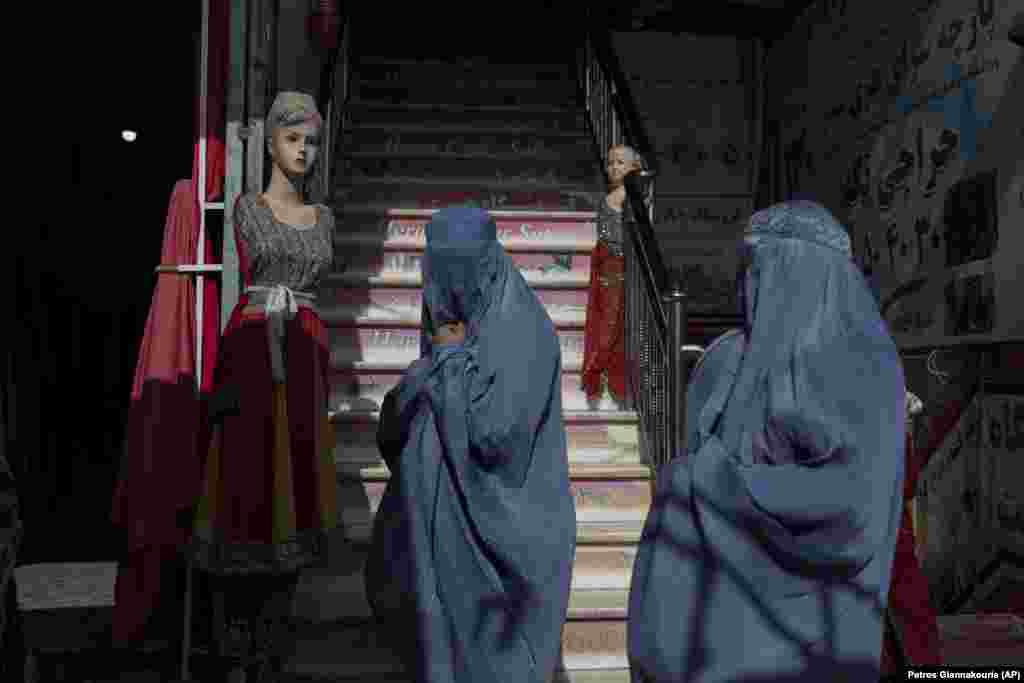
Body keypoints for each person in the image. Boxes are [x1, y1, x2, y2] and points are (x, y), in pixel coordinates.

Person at [628, 200, 906, 682]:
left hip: (812, 641)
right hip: (709, 628)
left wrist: (710, 481)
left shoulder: (862, 373)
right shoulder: (724, 361)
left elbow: (849, 508)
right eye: (748, 271)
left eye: (766, 271)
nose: (749, 287)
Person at [365, 207, 576, 683]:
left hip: (499, 538)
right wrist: (430, 376)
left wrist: (449, 367)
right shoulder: (451, 328)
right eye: (439, 267)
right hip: (432, 547)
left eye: (462, 266)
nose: (449, 285)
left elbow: (495, 437)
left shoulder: (524, 333)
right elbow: (399, 427)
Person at [188, 91, 338, 675]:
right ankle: (234, 638)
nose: (304, 151)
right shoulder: (248, 208)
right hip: (254, 347)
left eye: (312, 142)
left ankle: (275, 635)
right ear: (272, 142)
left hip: (304, 351)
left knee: (297, 471)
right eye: (293, 139)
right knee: (246, 472)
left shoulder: (325, 217)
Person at [581, 145, 643, 408]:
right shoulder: (620, 194)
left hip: (618, 265)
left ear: (634, 168)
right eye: (611, 163)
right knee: (604, 318)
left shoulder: (631, 195)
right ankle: (601, 372)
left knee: (612, 322)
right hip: (607, 265)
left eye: (620, 163)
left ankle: (602, 370)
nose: (613, 167)